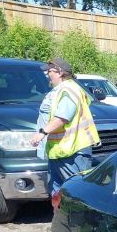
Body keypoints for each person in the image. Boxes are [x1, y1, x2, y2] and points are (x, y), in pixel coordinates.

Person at [30, 57, 99, 196]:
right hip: (60, 150)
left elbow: (62, 117)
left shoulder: (68, 89)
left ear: (60, 72)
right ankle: (60, 218)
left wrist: (42, 133)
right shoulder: (62, 90)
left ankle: (78, 218)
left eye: (49, 71)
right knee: (58, 192)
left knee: (76, 193)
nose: (47, 74)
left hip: (72, 151)